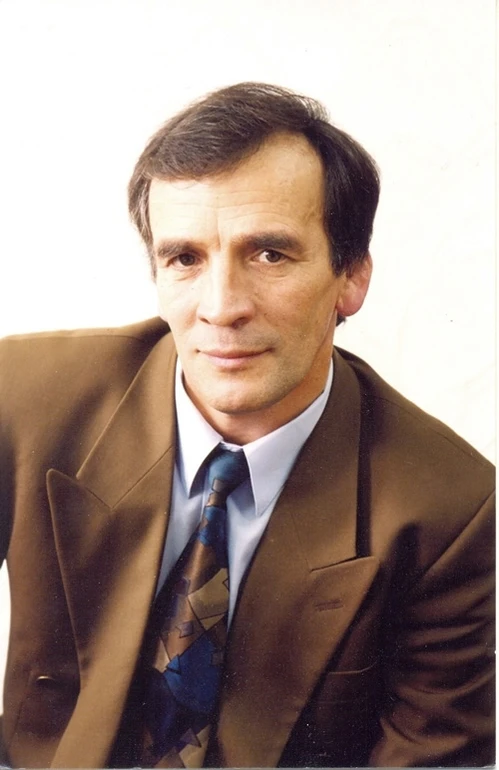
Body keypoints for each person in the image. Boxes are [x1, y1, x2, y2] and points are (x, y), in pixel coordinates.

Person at [0, 82, 494, 769]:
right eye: (185, 258)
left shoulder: (453, 509)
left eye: (269, 255)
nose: (222, 307)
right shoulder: (19, 398)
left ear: (351, 278)